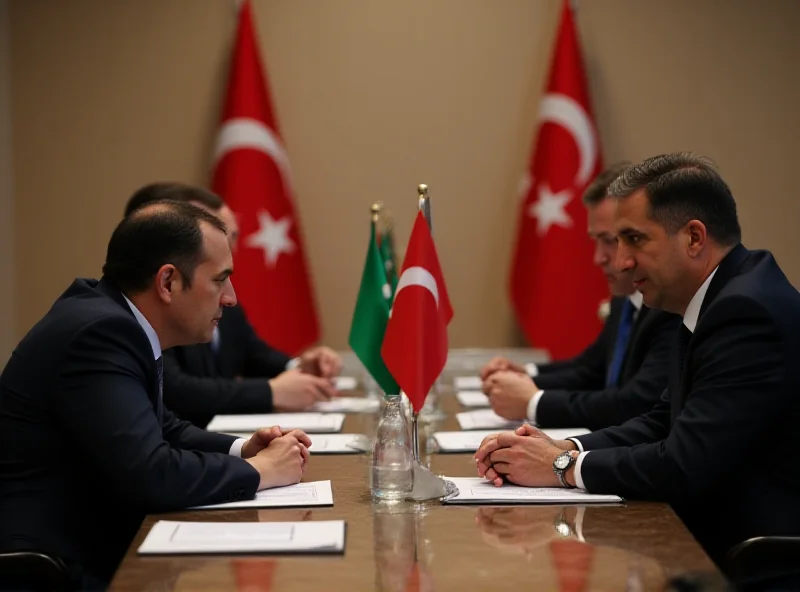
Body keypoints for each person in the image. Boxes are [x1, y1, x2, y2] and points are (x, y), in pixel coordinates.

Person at [474, 152, 800, 567]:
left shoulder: (746, 313)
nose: (622, 262)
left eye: (635, 239)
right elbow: (659, 420)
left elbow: (683, 465)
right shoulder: (717, 297)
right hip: (702, 544)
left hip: (747, 562)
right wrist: (559, 446)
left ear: (694, 238)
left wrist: (561, 466)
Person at [0, 200, 311, 588]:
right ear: (167, 282)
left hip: (97, 542)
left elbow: (165, 428)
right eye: (219, 279)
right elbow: (150, 473)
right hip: (54, 565)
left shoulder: (114, 320)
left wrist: (242, 449)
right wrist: (259, 471)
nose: (230, 297)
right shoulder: (101, 334)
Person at [480, 164, 680, 430]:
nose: (599, 258)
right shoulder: (627, 298)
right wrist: (524, 374)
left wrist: (533, 402)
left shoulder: (670, 306)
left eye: (611, 240)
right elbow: (591, 369)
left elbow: (636, 405)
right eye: (596, 241)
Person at [124, 183, 342, 427]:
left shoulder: (215, 294)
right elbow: (177, 394)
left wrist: (299, 366)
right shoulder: (131, 319)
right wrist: (270, 392)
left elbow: (253, 354)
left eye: (232, 234)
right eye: (216, 230)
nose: (229, 245)